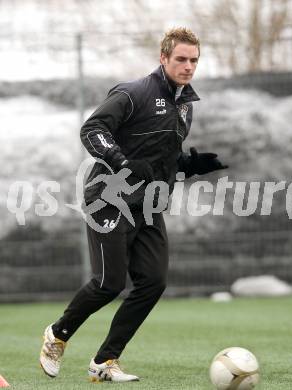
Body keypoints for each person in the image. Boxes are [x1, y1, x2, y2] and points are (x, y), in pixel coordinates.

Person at [40, 27, 227, 383]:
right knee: (110, 283)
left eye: (194, 60)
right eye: (181, 59)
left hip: (147, 203)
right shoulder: (133, 92)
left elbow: (160, 159)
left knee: (153, 282)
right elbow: (92, 129)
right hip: (109, 199)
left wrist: (191, 165)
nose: (189, 67)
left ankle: (105, 361)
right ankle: (57, 335)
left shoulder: (185, 105)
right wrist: (122, 162)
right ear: (163, 58)